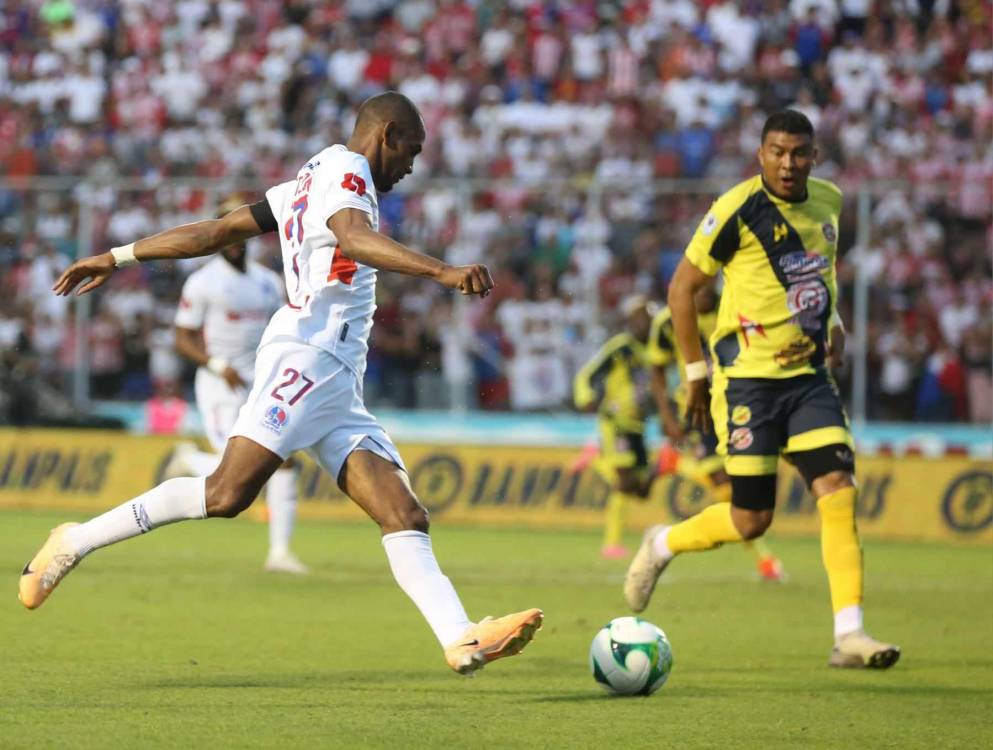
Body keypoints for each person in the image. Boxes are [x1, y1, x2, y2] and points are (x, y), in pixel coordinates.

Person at [21, 92, 543, 676]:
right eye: (411, 151)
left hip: (338, 379)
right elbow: (351, 237)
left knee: (404, 514)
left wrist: (117, 256)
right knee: (226, 494)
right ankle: (75, 539)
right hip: (307, 356)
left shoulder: (314, 172)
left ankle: (460, 637)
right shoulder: (347, 174)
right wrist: (442, 270)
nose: (413, 166)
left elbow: (218, 232)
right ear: (387, 133)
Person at [624, 110, 900, 669]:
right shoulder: (735, 209)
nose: (788, 163)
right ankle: (661, 544)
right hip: (748, 382)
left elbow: (819, 273)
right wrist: (695, 375)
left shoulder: (829, 203)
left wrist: (836, 323)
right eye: (777, 151)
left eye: (799, 152)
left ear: (815, 156)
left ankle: (849, 634)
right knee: (752, 519)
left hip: (807, 381)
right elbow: (682, 290)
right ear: (761, 154)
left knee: (838, 489)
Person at [167, 193, 307, 574]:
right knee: (237, 472)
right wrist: (215, 363)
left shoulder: (268, 281)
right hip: (219, 386)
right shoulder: (202, 282)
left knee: (284, 463)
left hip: (261, 383)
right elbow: (181, 338)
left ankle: (279, 553)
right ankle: (189, 460)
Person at [647, 286, 786, 582]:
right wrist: (666, 415)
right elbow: (656, 369)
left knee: (738, 483)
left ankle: (674, 464)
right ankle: (766, 561)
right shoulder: (667, 320)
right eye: (695, 286)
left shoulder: (737, 308)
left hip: (736, 406)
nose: (702, 292)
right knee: (724, 488)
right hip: (697, 408)